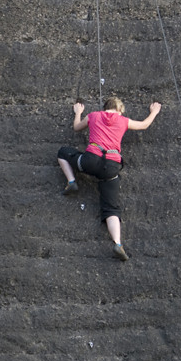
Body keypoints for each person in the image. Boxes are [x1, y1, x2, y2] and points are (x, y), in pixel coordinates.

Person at [57, 97, 161, 261]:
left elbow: (76, 127)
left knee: (63, 152)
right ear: (119, 109)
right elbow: (143, 125)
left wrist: (78, 113)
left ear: (106, 107)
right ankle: (118, 243)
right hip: (111, 167)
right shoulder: (123, 120)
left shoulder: (93, 116)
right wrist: (154, 112)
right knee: (111, 208)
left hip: (89, 161)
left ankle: (71, 182)